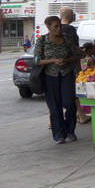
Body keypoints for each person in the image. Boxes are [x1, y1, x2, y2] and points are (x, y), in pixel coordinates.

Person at [34, 15, 78, 143]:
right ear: (48, 27)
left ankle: (70, 130)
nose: (59, 29)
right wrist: (52, 61)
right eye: (55, 27)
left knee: (69, 102)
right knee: (54, 106)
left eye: (60, 26)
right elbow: (36, 60)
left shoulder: (67, 39)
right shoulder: (42, 40)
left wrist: (66, 60)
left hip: (66, 74)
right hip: (50, 76)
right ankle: (59, 134)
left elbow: (76, 55)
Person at [76, 43, 95, 125]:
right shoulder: (87, 59)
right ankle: (82, 114)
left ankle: (80, 115)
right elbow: (83, 70)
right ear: (89, 50)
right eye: (94, 48)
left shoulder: (89, 58)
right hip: (88, 79)